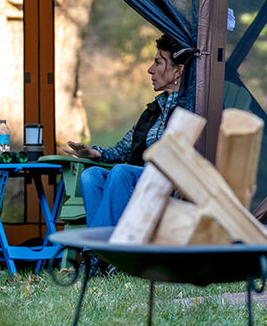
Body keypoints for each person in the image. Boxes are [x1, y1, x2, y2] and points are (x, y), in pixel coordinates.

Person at [65, 33, 194, 229]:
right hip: (140, 182)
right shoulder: (152, 112)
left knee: (121, 172)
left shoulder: (190, 109)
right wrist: (96, 153)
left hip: (169, 186)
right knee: (90, 176)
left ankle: (97, 252)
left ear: (178, 72)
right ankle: (102, 252)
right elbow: (124, 149)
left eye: (158, 63)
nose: (150, 70)